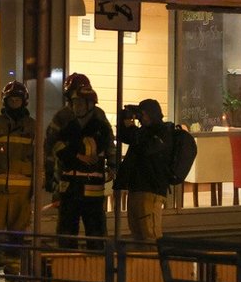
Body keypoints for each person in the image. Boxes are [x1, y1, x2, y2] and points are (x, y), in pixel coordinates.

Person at [49, 76, 112, 246]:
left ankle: (96, 260)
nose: (77, 106)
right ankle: (68, 260)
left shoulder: (98, 119)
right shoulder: (64, 118)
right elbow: (53, 146)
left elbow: (109, 143)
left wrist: (113, 167)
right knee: (67, 231)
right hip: (70, 184)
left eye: (80, 102)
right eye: (75, 101)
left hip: (90, 185)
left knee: (95, 232)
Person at [0, 80, 37, 265]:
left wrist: (38, 183)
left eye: (17, 100)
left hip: (22, 192)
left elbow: (39, 159)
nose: (14, 103)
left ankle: (13, 267)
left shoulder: (32, 127)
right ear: (5, 101)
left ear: (24, 102)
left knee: (17, 233)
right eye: (11, 100)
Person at [115, 98, 175, 243]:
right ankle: (143, 258)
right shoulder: (143, 131)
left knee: (150, 235)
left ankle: (154, 258)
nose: (140, 118)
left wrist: (131, 127)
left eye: (143, 114)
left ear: (152, 114)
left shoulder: (163, 131)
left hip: (151, 190)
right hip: (136, 188)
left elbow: (147, 147)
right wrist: (124, 120)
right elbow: (125, 136)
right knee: (137, 233)